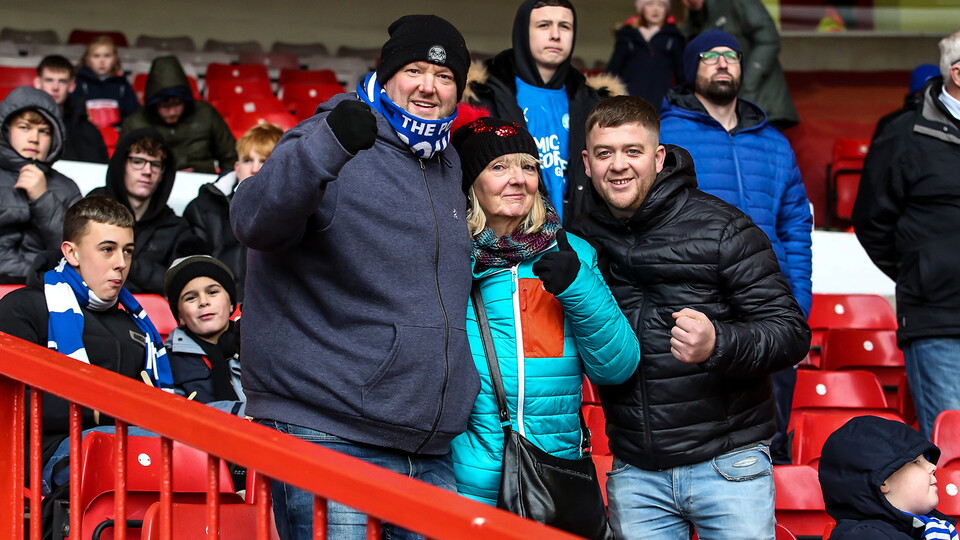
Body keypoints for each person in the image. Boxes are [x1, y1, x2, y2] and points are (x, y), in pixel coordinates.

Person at [230, 15, 479, 540]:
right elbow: (253, 220)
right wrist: (328, 147)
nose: (429, 87)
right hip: (329, 432)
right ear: (386, 75)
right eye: (414, 70)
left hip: (426, 447)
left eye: (445, 76)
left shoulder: (448, 163)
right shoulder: (330, 135)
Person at [574, 95, 810, 539]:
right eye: (605, 153)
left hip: (727, 464)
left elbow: (791, 333)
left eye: (633, 151)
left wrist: (718, 343)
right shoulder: (583, 238)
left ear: (658, 157)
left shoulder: (723, 228)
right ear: (587, 164)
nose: (618, 165)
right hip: (636, 470)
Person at [447, 116, 640, 508]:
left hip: (551, 478)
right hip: (462, 480)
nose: (518, 179)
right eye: (499, 167)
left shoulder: (572, 253)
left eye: (528, 166)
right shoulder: (445, 258)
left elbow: (618, 367)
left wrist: (579, 289)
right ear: (471, 182)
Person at [659, 29, 812, 462]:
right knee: (707, 443)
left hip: (769, 308)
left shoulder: (774, 143)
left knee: (771, 439)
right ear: (692, 69)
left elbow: (796, 226)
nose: (723, 62)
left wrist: (798, 302)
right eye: (710, 56)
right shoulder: (666, 137)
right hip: (697, 307)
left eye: (732, 55)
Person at [0, 195, 174, 493]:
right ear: (72, 253)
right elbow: (11, 403)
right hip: (46, 456)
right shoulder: (25, 307)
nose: (121, 264)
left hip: (129, 443)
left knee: (225, 427)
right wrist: (106, 409)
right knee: (127, 447)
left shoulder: (134, 324)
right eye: (107, 249)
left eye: (128, 251)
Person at [852, 29, 960, 439]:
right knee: (953, 448)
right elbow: (871, 220)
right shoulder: (903, 135)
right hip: (937, 318)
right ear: (957, 73)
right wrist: (921, 271)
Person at [465, 0, 613, 225]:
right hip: (508, 241)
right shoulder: (483, 95)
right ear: (524, 32)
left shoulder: (595, 101)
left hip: (580, 240)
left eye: (565, 26)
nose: (556, 35)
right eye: (544, 25)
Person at [183, 123, 283, 303]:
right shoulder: (201, 208)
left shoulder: (296, 211)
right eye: (247, 160)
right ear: (236, 167)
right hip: (216, 311)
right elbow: (190, 271)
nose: (254, 169)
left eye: (264, 161)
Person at [88, 128, 196, 295]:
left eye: (155, 164)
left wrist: (120, 261)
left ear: (162, 174)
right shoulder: (93, 207)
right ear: (122, 165)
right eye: (138, 162)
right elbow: (81, 265)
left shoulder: (175, 227)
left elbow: (178, 284)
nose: (147, 171)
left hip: (150, 317)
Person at [819, 415, 955, 539]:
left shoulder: (929, 529)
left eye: (927, 459)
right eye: (916, 462)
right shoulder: (864, 536)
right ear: (882, 481)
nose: (933, 466)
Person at [0, 86, 82, 284]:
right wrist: (31, 273)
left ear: (54, 139)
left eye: (44, 131)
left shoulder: (67, 188)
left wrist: (43, 199)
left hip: (46, 295)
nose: (34, 139)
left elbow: (77, 255)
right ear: (6, 129)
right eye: (24, 127)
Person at [681, 0, 798, 129]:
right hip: (728, 108)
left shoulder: (737, 2)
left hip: (764, 103)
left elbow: (769, 40)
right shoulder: (696, 18)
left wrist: (746, 83)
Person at [122, 56, 236, 173]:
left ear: (185, 101)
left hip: (202, 182)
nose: (172, 112)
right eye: (165, 106)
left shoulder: (206, 113)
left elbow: (230, 157)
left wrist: (222, 185)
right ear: (154, 104)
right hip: (152, 185)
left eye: (177, 104)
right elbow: (121, 164)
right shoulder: (135, 123)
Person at [163, 255, 245, 416]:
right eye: (191, 297)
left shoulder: (257, 345)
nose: (203, 302)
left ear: (230, 304)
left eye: (212, 292)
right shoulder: (167, 361)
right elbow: (176, 417)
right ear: (179, 315)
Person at [606, 0, 685, 110]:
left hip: (661, 101)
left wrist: (680, 100)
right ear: (642, 8)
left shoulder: (674, 36)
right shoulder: (627, 35)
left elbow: (681, 74)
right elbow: (614, 68)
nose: (655, 9)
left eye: (661, 5)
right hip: (629, 100)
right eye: (650, 4)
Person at [34, 54, 109, 164]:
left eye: (62, 81)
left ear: (72, 86)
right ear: (38, 83)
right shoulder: (21, 122)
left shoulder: (87, 130)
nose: (55, 87)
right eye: (49, 80)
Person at [71, 36, 140, 124]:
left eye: (107, 56)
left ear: (115, 59)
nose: (102, 61)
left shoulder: (122, 85)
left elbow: (133, 115)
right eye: (96, 56)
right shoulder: (79, 83)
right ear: (87, 59)